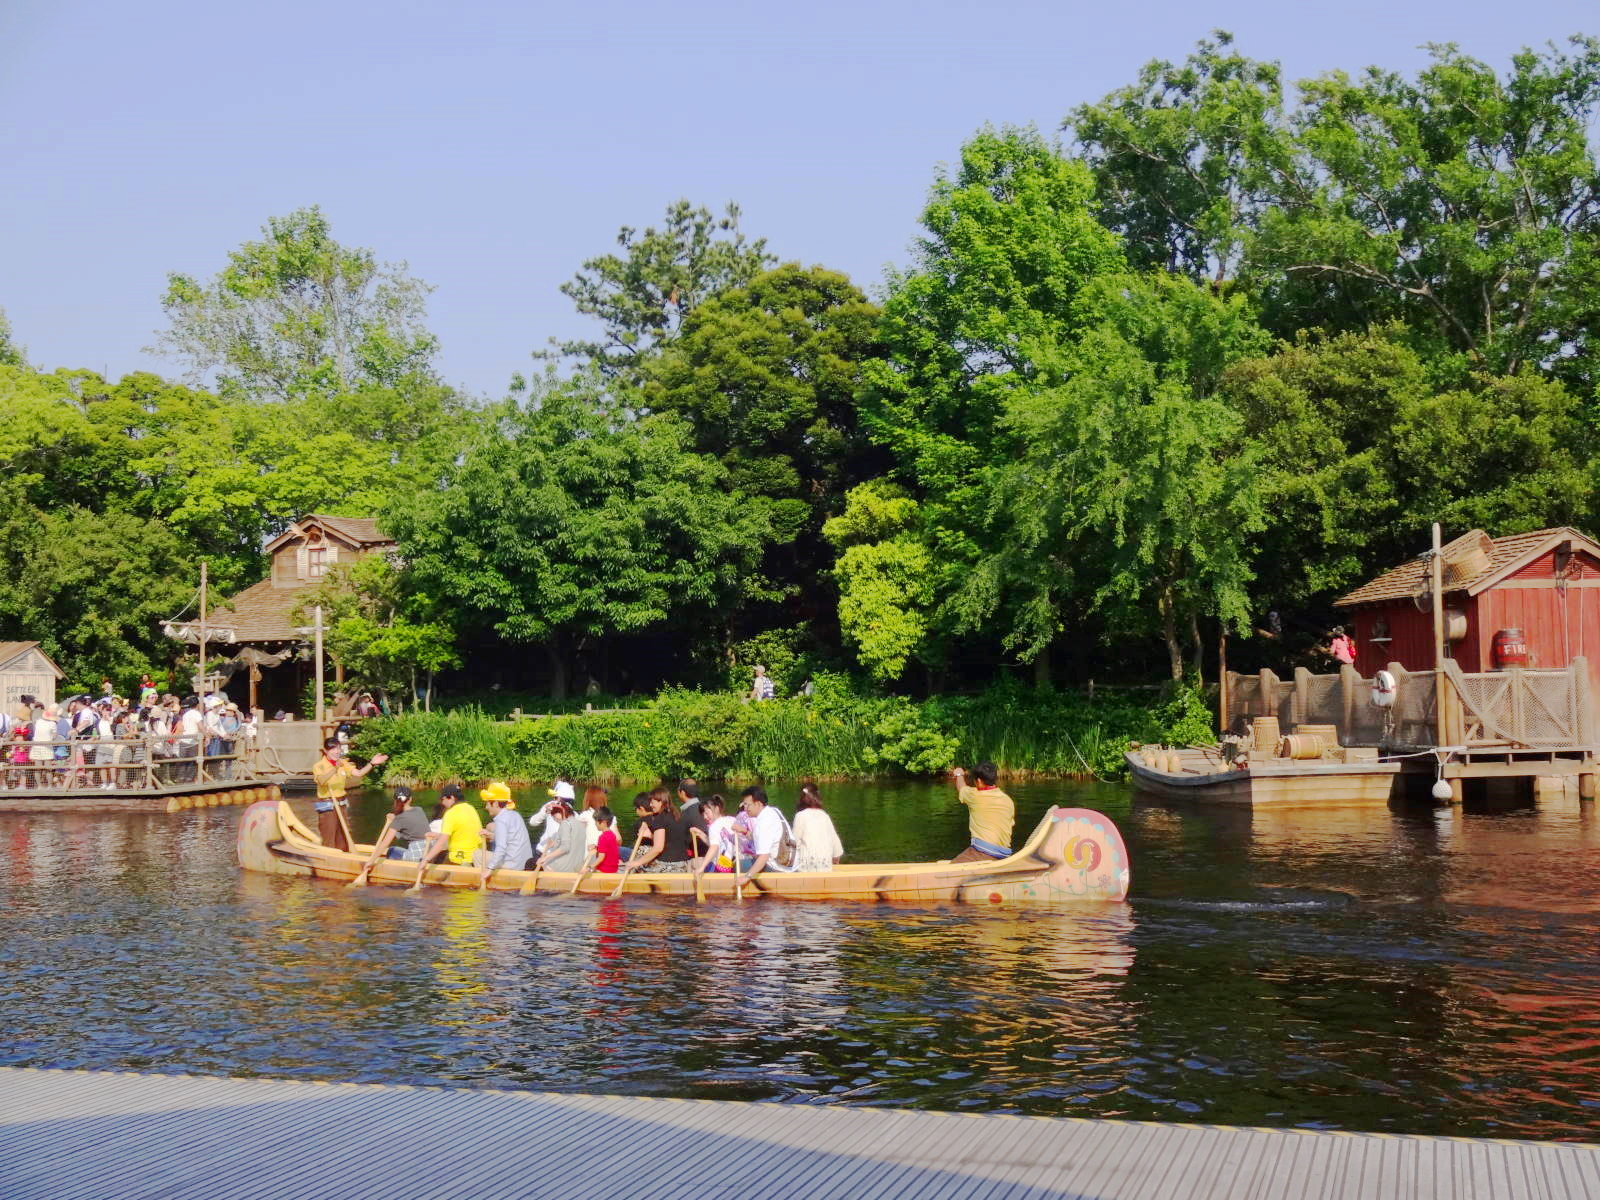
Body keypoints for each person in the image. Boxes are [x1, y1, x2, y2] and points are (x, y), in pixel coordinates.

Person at [309, 736, 389, 852]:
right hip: (328, 806)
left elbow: (359, 773)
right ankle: (329, 858)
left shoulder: (343, 763)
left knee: (344, 835)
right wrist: (333, 769)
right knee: (329, 834)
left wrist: (372, 763)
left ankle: (344, 856)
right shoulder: (319, 766)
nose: (336, 752)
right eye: (333, 749)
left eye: (338, 748)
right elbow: (321, 781)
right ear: (326, 751)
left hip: (341, 804)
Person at [409, 783, 482, 889]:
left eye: (442, 799)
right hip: (475, 858)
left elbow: (441, 843)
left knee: (435, 860)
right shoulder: (470, 808)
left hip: (458, 860)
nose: (442, 803)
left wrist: (425, 860)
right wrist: (438, 835)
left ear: (451, 798)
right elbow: (461, 832)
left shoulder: (451, 813)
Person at [949, 761, 1014, 862]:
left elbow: (961, 787)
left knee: (949, 872)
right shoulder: (1007, 800)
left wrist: (959, 774)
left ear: (978, 781)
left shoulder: (974, 796)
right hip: (1003, 854)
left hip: (983, 852)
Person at [733, 786, 796, 888]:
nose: (745, 808)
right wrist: (744, 831)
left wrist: (746, 877)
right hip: (790, 864)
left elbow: (763, 857)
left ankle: (759, 889)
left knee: (738, 865)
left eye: (747, 805)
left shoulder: (762, 823)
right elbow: (756, 836)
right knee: (753, 858)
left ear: (758, 804)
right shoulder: (773, 811)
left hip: (778, 867)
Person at [476, 782, 533, 889]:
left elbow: (501, 848)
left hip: (512, 865)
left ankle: (484, 882)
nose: (486, 807)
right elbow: (509, 839)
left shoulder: (501, 820)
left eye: (488, 803)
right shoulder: (514, 814)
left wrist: (489, 869)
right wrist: (491, 836)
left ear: (496, 804)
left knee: (476, 854)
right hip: (523, 863)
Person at [630, 786, 689, 873]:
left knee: (637, 865)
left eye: (652, 802)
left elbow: (658, 848)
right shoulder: (677, 815)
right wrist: (650, 835)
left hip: (668, 866)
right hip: (683, 864)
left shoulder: (660, 819)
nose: (650, 805)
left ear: (660, 802)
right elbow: (669, 839)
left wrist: (637, 863)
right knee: (645, 850)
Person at [792, 783, 844, 872]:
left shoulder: (800, 816)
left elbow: (795, 842)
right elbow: (835, 840)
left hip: (806, 867)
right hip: (825, 866)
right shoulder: (824, 815)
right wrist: (836, 857)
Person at [371, 788, 431, 861]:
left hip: (417, 856)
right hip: (429, 852)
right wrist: (395, 818)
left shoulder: (399, 819)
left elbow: (385, 843)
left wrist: (371, 860)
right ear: (410, 799)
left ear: (395, 800)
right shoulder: (419, 809)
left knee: (391, 850)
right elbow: (407, 819)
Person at [691, 794, 740, 875]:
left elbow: (714, 846)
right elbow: (716, 843)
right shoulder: (732, 819)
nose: (705, 817)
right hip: (736, 864)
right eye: (703, 814)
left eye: (707, 813)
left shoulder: (714, 826)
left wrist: (702, 866)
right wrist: (700, 833)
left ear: (717, 809)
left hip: (723, 866)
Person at [535, 802, 587, 873]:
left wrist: (545, 857)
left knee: (541, 863)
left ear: (563, 812)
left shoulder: (565, 824)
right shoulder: (578, 822)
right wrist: (554, 842)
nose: (555, 820)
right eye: (553, 818)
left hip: (566, 867)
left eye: (556, 818)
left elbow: (565, 847)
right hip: (577, 864)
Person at [675, 779, 708, 857]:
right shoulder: (705, 806)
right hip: (708, 848)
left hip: (697, 854)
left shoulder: (686, 813)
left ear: (682, 793)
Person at [584, 807, 621, 874]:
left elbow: (601, 857)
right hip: (613, 869)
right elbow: (607, 849)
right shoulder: (612, 834)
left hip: (604, 870)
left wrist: (589, 868)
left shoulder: (603, 837)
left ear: (604, 822)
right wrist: (596, 847)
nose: (595, 824)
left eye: (596, 822)